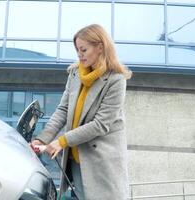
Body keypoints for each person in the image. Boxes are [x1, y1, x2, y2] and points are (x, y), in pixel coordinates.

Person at [31, 24, 131, 200]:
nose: (79, 54)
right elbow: (63, 109)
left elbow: (100, 125)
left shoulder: (116, 80)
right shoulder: (75, 73)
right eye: (77, 49)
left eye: (83, 49)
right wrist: (43, 138)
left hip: (102, 164)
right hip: (76, 160)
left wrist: (62, 141)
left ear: (100, 47)